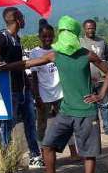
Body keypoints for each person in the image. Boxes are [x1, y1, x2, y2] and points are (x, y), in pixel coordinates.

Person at [24, 16, 108, 173]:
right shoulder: (55, 55)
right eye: (62, 32)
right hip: (66, 111)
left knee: (88, 153)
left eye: (67, 32)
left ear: (74, 34)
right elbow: (28, 64)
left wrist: (100, 95)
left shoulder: (87, 54)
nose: (64, 35)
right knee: (47, 145)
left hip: (86, 111)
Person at [0, 7, 43, 168]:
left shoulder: (16, 39)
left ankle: (35, 156)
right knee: (7, 126)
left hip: (23, 89)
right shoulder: (2, 37)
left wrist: (28, 85)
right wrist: (0, 65)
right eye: (23, 17)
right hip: (9, 89)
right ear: (17, 19)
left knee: (30, 123)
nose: (25, 20)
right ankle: (8, 161)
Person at [29, 20, 78, 157]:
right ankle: (44, 154)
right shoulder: (35, 53)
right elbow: (34, 77)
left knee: (67, 123)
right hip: (43, 95)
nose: (47, 39)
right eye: (44, 36)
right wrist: (37, 96)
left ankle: (73, 151)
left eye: (50, 36)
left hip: (61, 94)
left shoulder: (58, 49)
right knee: (42, 125)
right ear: (39, 37)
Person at [80, 19, 108, 135]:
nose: (91, 30)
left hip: (101, 79)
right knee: (90, 106)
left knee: (104, 105)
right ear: (84, 29)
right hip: (87, 80)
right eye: (88, 28)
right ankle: (93, 129)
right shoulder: (79, 42)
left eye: (93, 28)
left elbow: (107, 57)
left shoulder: (102, 42)